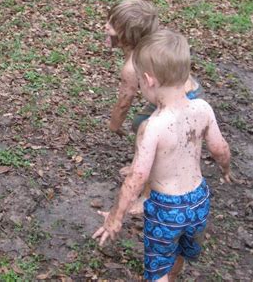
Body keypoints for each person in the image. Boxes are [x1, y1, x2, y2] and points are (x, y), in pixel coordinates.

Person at [93, 30, 232, 281]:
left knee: (157, 270)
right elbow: (220, 149)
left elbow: (137, 177)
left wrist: (116, 217)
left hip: (167, 209)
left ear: (148, 80)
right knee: (180, 252)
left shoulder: (153, 126)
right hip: (199, 201)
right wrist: (225, 170)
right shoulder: (202, 107)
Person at [105, 0, 203, 214]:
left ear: (126, 35)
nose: (106, 27)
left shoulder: (132, 67)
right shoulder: (150, 47)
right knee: (144, 125)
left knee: (147, 131)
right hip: (191, 92)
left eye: (111, 24)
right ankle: (142, 165)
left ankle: (149, 196)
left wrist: (114, 125)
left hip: (185, 100)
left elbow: (124, 102)